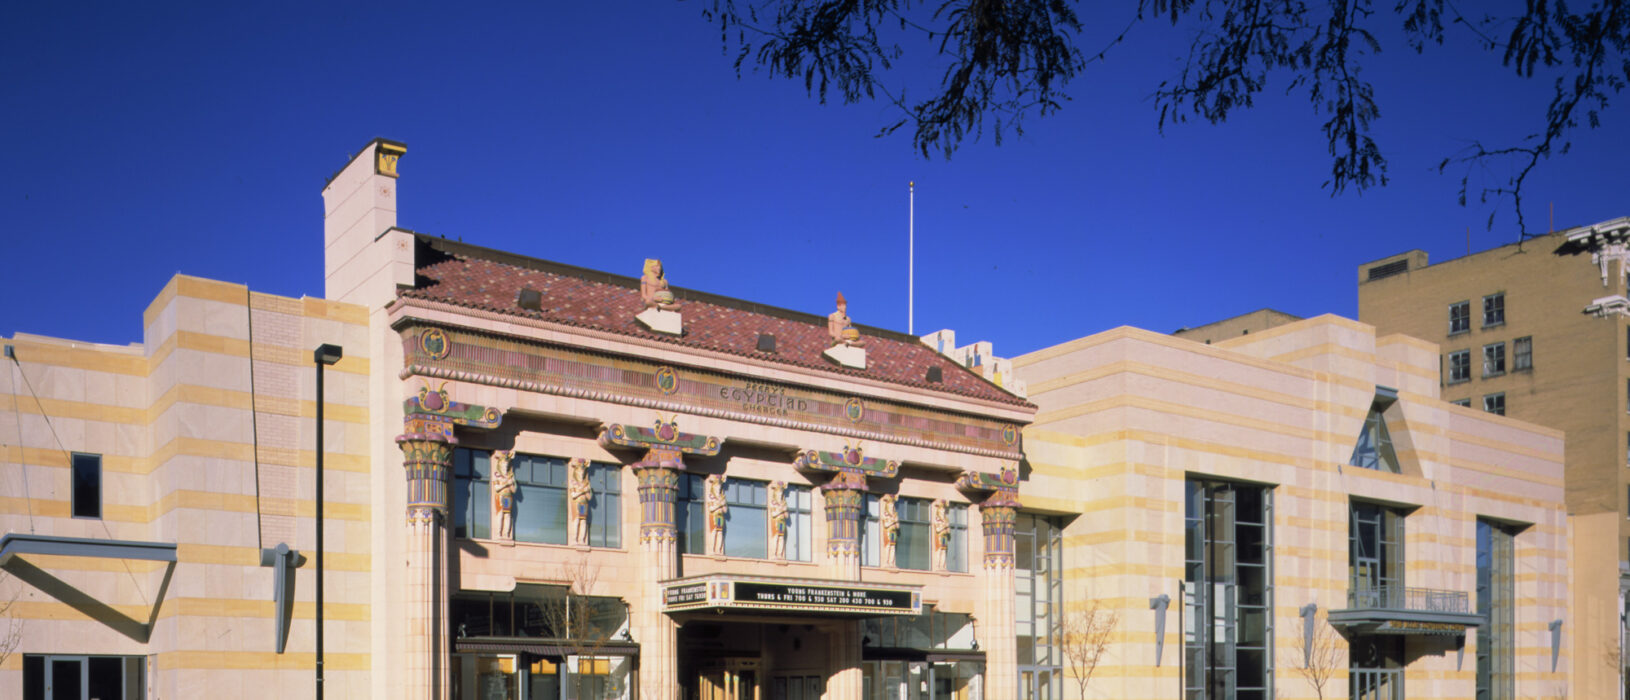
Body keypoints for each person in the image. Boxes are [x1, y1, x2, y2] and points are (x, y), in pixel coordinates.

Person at [491, 451, 517, 540]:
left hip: (508, 497)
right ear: (500, 465)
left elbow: (514, 490)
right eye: (504, 465)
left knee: (507, 515)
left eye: (507, 465)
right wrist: (506, 484)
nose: (505, 467)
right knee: (501, 514)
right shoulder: (496, 475)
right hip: (500, 496)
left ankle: (506, 534)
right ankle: (499, 533)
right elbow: (497, 488)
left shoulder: (510, 476)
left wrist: (511, 483)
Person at [568, 459, 592, 546]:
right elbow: (573, 495)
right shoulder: (573, 482)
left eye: (583, 471)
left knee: (583, 521)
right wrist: (583, 491)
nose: (581, 473)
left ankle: (582, 540)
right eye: (580, 471)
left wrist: (587, 491)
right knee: (577, 520)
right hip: (576, 502)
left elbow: (589, 497)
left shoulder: (586, 483)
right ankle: (574, 539)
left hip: (584, 503)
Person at [705, 474, 727, 556]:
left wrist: (723, 504)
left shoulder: (722, 497)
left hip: (720, 516)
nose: (718, 488)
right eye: (717, 486)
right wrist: (719, 505)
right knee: (714, 532)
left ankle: (719, 550)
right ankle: (712, 550)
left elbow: (725, 510)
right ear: (713, 486)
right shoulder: (711, 496)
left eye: (720, 486)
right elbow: (711, 509)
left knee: (720, 532)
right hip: (714, 515)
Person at [768, 481, 789, 560]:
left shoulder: (783, 503)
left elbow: (786, 515)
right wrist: (782, 510)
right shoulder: (773, 502)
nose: (780, 494)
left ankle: (780, 554)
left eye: (781, 493)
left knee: (781, 537)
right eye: (779, 492)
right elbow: (773, 514)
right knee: (776, 537)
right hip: (776, 521)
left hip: (781, 521)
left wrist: (784, 510)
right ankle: (774, 554)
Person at [879, 494, 900, 567]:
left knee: (892, 546)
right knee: (888, 546)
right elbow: (886, 525)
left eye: (892, 505)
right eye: (890, 505)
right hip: (887, 531)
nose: (892, 507)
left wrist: (896, 521)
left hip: (893, 532)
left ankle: (891, 562)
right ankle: (886, 562)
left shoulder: (894, 515)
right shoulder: (885, 514)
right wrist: (893, 521)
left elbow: (897, 526)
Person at [931, 499, 951, 571]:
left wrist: (947, 528)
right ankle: (938, 565)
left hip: (944, 536)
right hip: (939, 536)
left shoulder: (946, 520)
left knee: (944, 550)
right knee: (939, 550)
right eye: (941, 510)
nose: (943, 511)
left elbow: (948, 531)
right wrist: (944, 527)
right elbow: (937, 529)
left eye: (944, 510)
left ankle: (943, 566)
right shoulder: (937, 519)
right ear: (939, 510)